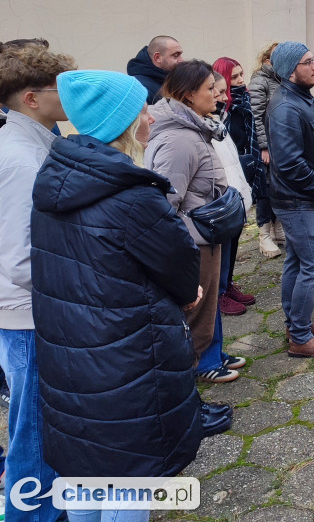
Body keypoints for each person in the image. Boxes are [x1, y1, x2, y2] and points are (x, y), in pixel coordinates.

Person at [32, 71, 205, 521]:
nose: (150, 117)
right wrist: (190, 292)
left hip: (70, 355)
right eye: (141, 110)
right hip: (127, 356)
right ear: (124, 124)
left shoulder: (54, 179)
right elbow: (181, 267)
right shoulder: (132, 196)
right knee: (131, 480)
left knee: (86, 471)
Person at [0, 41, 75, 522]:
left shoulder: (38, 143)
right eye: (58, 87)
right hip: (29, 317)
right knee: (34, 427)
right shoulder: (20, 161)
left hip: (37, 311)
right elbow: (20, 260)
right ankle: (29, 514)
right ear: (31, 97)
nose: (66, 94)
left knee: (41, 421)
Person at [147, 60, 241, 383]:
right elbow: (166, 202)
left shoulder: (193, 127)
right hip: (195, 238)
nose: (217, 94)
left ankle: (211, 352)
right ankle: (199, 364)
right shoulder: (179, 140)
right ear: (188, 95)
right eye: (209, 89)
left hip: (205, 232)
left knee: (211, 299)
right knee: (198, 306)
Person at [265, 42, 314, 356]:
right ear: (290, 69)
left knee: (297, 261)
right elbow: (289, 163)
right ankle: (299, 337)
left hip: (304, 199)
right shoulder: (284, 107)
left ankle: (297, 322)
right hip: (300, 201)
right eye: (308, 62)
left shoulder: (300, 98)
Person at [212, 58, 259, 314]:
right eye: (235, 77)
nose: (242, 81)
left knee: (235, 239)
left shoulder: (239, 107)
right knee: (224, 242)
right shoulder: (218, 115)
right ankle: (218, 293)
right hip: (225, 188)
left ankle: (227, 284)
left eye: (242, 75)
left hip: (241, 177)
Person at [249, 42, 284, 258]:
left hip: (280, 143)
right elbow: (255, 116)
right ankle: (264, 234)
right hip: (267, 145)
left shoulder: (280, 79)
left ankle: (278, 229)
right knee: (265, 188)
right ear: (268, 61)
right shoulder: (259, 82)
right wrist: (263, 146)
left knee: (278, 186)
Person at [127, 35, 184, 104]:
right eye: (175, 55)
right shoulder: (139, 88)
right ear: (157, 58)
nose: (181, 60)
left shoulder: (172, 82)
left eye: (180, 55)